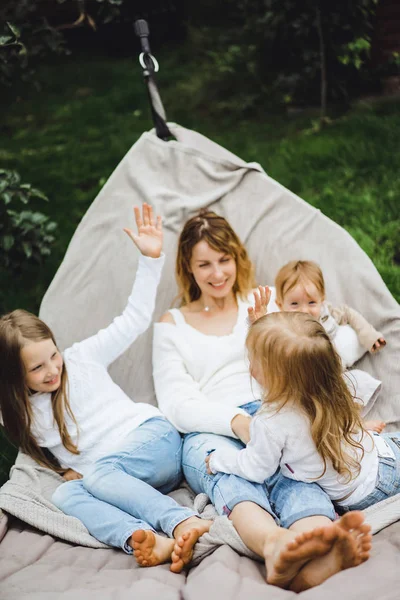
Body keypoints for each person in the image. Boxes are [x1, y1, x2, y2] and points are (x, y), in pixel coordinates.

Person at [153, 210, 371, 592]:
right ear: (188, 268)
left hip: (275, 410)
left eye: (224, 260)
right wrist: (237, 421)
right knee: (234, 476)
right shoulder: (172, 325)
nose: (218, 273)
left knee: (295, 471)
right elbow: (176, 403)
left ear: (237, 258)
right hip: (210, 426)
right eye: (204, 264)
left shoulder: (262, 302)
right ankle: (274, 543)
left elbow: (302, 357)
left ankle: (316, 542)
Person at [0, 203, 211, 574]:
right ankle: (142, 538)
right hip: (118, 478)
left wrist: (150, 259)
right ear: (15, 377)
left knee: (97, 475)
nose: (52, 370)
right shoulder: (18, 413)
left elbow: (133, 319)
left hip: (153, 441)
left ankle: (180, 521)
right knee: (64, 493)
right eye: (37, 368)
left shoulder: (83, 358)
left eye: (53, 355)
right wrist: (63, 470)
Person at [207, 310, 397, 522]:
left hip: (366, 494)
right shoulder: (328, 385)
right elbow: (294, 349)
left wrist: (218, 459)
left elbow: (255, 467)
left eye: (255, 360)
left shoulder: (270, 421)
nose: (250, 368)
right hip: (386, 455)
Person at [257, 260, 386, 432]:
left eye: (311, 303)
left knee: (354, 385)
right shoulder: (282, 326)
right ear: (280, 305)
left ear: (322, 300)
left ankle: (353, 423)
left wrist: (369, 336)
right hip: (302, 384)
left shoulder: (327, 314)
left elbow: (349, 314)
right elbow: (266, 342)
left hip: (332, 376)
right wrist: (260, 319)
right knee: (310, 407)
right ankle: (345, 429)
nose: (304, 310)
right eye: (294, 304)